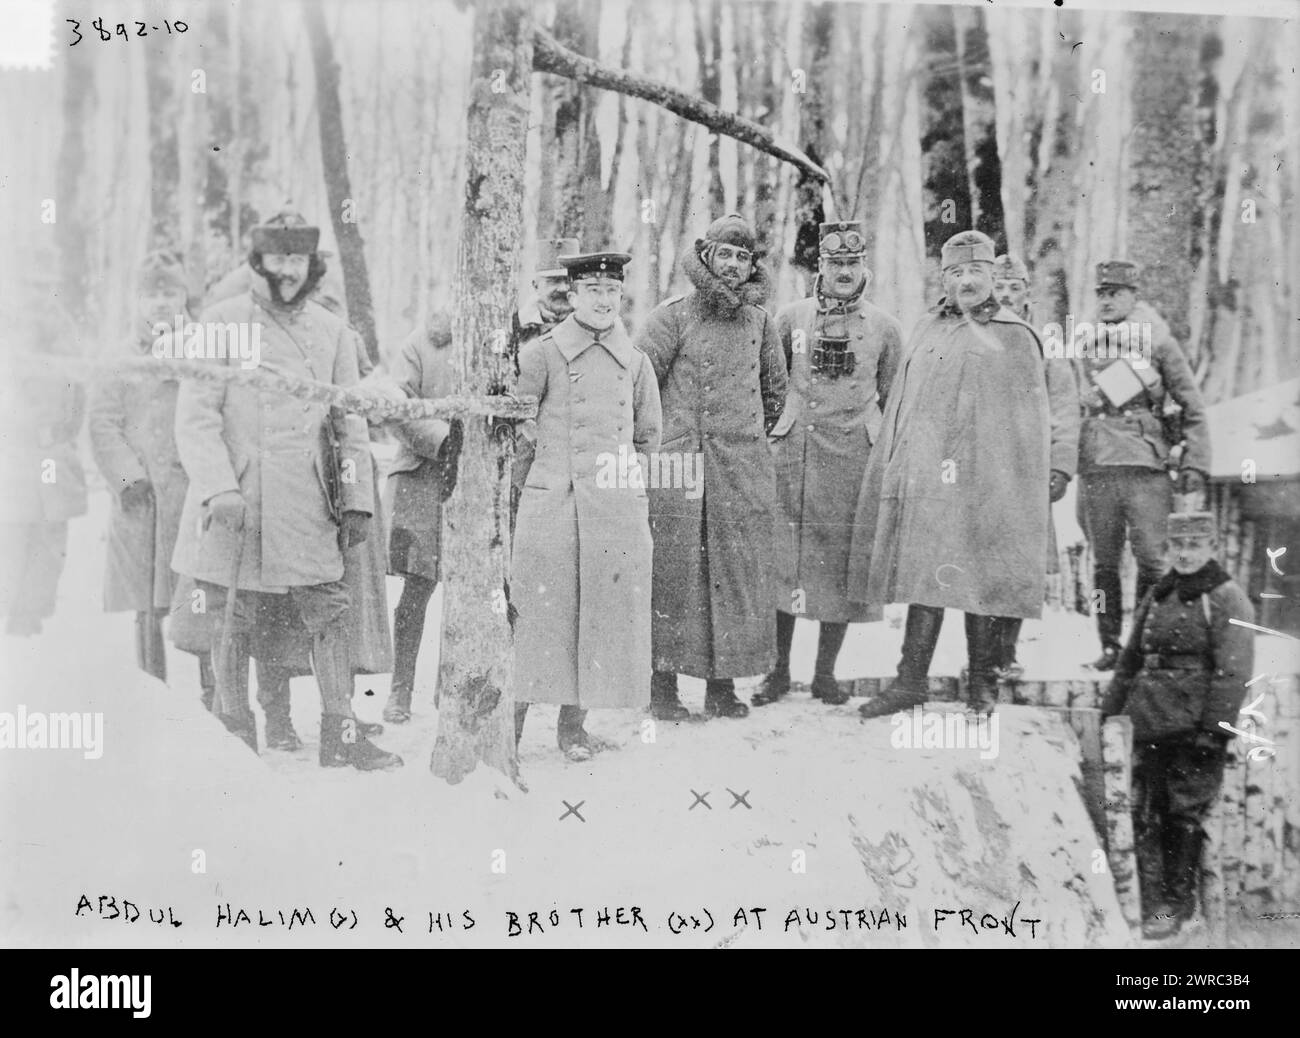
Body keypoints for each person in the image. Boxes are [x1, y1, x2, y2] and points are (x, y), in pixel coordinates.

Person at [171, 209, 401, 770]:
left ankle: (340, 734)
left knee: (329, 611)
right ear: (259, 262)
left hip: (307, 501)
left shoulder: (331, 331)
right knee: (234, 614)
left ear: (311, 264)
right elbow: (196, 418)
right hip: (240, 502)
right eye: (278, 258)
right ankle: (234, 729)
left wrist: (355, 499)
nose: (288, 270)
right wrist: (219, 489)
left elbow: (348, 424)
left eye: (297, 259)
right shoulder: (221, 324)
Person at [852, 230, 1062, 717]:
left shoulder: (1015, 334)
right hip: (929, 480)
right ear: (943, 278)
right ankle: (910, 682)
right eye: (956, 272)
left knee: (982, 581)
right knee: (926, 579)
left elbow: (1028, 429)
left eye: (976, 271)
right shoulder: (926, 329)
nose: (966, 281)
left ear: (992, 275)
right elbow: (904, 406)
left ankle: (982, 683)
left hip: (988, 483)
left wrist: (1012, 487)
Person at [511, 251, 662, 761]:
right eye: (592, 291)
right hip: (552, 503)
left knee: (600, 616)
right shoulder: (541, 354)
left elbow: (647, 438)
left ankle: (572, 728)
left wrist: (627, 493)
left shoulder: (636, 362)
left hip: (613, 510)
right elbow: (520, 432)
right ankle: (507, 730)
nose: (603, 301)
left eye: (611, 292)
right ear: (571, 296)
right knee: (539, 615)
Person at [635, 214, 788, 720]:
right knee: (674, 575)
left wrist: (740, 442)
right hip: (679, 468)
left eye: (743, 258)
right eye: (725, 254)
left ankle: (723, 687)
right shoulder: (671, 316)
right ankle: (663, 688)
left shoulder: (762, 323)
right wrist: (674, 442)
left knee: (734, 575)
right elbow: (640, 387)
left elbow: (774, 394)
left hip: (739, 468)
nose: (732, 266)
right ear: (706, 257)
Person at [755, 220, 902, 707]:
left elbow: (892, 396)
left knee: (837, 564)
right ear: (819, 267)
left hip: (851, 461)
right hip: (795, 455)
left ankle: (825, 675)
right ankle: (777, 674)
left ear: (864, 267)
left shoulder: (883, 327)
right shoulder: (792, 318)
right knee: (785, 563)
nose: (843, 272)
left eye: (851, 263)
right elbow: (769, 381)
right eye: (834, 263)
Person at [1101, 512, 1253, 939]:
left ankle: (1177, 907)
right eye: (1177, 546)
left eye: (1194, 546)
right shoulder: (1158, 593)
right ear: (1168, 549)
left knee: (1182, 815)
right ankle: (1152, 899)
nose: (1185, 554)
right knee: (1147, 812)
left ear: (1212, 548)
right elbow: (1131, 658)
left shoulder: (1226, 597)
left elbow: (1234, 671)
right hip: (1149, 720)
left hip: (1193, 730)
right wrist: (1109, 709)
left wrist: (1214, 731)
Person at [88, 250, 213, 700]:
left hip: (194, 492)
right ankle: (153, 694)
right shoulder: (119, 357)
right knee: (146, 603)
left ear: (184, 297)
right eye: (151, 293)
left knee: (203, 594)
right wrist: (127, 479)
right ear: (137, 300)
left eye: (170, 292)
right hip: (142, 500)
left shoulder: (203, 350)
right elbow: (103, 424)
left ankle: (213, 692)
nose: (161, 302)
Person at [1076, 260, 1210, 671]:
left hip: (1147, 467)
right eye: (1101, 292)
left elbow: (1193, 406)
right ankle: (1111, 645)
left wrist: (1197, 463)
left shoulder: (1158, 342)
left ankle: (1145, 643)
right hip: (1099, 465)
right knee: (1103, 562)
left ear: (1135, 296)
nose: (1107, 300)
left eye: (1116, 292)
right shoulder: (1084, 344)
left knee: (1153, 559)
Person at [989, 253, 1080, 678]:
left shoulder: (1046, 342)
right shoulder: (976, 333)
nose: (1007, 295)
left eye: (1015, 287)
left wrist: (1060, 466)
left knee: (1021, 564)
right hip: (983, 467)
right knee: (982, 560)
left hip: (1028, 469)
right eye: (1000, 287)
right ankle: (982, 655)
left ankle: (1006, 653)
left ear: (1028, 294)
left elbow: (1064, 406)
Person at [382, 311, 460, 724]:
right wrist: (444, 440)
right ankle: (400, 688)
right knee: (418, 589)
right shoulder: (424, 342)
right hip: (425, 477)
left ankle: (453, 689)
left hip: (485, 475)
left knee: (476, 593)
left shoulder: (509, 336)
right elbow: (395, 404)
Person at [0, 277, 87, 637]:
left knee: (50, 537)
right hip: (13, 452)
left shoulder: (61, 329)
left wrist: (62, 438)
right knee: (14, 535)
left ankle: (31, 617)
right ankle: (12, 616)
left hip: (51, 451)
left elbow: (77, 390)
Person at [509, 239, 580, 533]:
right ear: (535, 285)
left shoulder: (598, 329)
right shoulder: (513, 329)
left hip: (576, 456)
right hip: (524, 458)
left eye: (568, 280)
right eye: (553, 281)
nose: (563, 288)